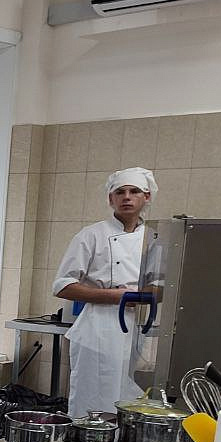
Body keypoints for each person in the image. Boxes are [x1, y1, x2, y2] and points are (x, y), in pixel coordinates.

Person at [53, 167, 157, 417]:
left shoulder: (154, 237)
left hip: (135, 329)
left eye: (134, 192)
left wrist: (140, 296)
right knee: (91, 399)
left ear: (147, 197)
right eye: (120, 192)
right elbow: (62, 285)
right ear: (111, 199)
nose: (127, 197)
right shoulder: (92, 235)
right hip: (96, 330)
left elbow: (161, 286)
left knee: (127, 400)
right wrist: (113, 296)